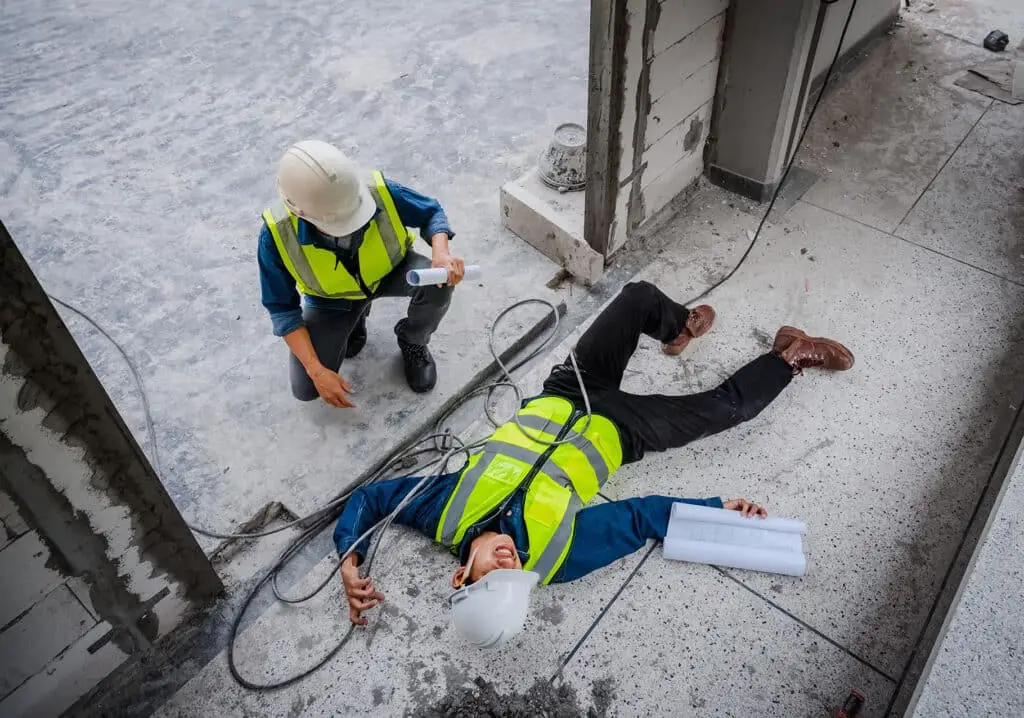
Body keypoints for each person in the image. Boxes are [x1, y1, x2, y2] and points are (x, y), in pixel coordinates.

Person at [333, 281, 854, 644]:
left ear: (461, 578)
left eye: (493, 575)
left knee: (637, 298)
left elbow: (371, 499)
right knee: (725, 409)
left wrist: (347, 562)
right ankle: (789, 356)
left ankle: (678, 327)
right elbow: (641, 518)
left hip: (569, 388)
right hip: (623, 429)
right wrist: (717, 508)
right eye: (514, 582)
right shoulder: (557, 561)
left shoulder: (441, 512)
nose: (511, 566)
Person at [258, 140, 465, 405]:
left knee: (439, 284)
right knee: (307, 388)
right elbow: (282, 309)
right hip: (332, 300)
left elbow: (430, 212)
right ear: (297, 210)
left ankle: (413, 340)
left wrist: (441, 253)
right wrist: (316, 369)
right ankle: (355, 319)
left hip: (393, 270)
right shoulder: (276, 235)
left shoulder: (376, 190)